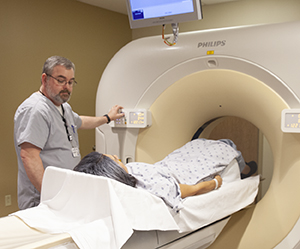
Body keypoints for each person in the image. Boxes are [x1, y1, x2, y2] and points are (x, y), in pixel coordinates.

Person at [14, 55, 124, 210]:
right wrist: (49, 195)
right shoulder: (36, 110)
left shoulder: (63, 108)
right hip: (43, 200)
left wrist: (107, 118)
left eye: (71, 82)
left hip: (64, 194)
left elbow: (80, 122)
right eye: (60, 80)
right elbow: (29, 156)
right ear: (44, 79)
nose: (67, 86)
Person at [74, 138, 249, 212]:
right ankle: (246, 169)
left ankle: (246, 166)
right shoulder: (148, 187)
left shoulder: (128, 172)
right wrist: (214, 184)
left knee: (199, 142)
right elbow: (189, 189)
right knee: (227, 147)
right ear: (112, 172)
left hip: (169, 163)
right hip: (184, 170)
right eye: (114, 159)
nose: (117, 156)